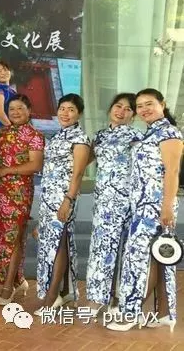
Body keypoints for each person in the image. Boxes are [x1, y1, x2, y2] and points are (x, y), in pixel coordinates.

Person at [109, 89, 183, 332]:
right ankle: (164, 313)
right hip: (141, 206)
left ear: (162, 104)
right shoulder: (149, 133)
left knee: (140, 260)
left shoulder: (169, 132)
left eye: (149, 104)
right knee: (158, 258)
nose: (144, 109)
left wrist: (166, 207)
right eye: (139, 106)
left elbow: (172, 172)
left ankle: (131, 312)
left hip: (156, 207)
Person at [0, 94, 44, 305]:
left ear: (29, 111)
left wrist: (7, 170)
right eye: (12, 109)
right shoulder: (2, 133)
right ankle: (19, 280)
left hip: (18, 194)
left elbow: (35, 165)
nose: (16, 112)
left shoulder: (35, 135)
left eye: (20, 108)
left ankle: (8, 287)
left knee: (14, 237)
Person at [85, 93, 141, 316]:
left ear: (133, 115)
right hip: (103, 201)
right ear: (110, 109)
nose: (121, 112)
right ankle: (97, 298)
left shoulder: (136, 137)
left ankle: (117, 299)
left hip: (126, 200)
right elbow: (85, 160)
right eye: (118, 106)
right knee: (101, 248)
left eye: (128, 109)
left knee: (124, 249)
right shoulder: (99, 136)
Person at [34, 94, 91, 315]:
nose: (65, 113)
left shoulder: (80, 138)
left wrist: (68, 201)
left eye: (71, 110)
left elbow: (78, 174)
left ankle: (52, 296)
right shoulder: (57, 136)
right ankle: (65, 291)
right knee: (57, 243)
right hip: (48, 197)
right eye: (62, 108)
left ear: (79, 114)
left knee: (58, 244)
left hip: (63, 198)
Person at [0, 61, 17, 136]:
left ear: (10, 72)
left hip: (12, 129)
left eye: (5, 70)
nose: (3, 73)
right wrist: (13, 130)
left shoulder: (12, 91)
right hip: (2, 130)